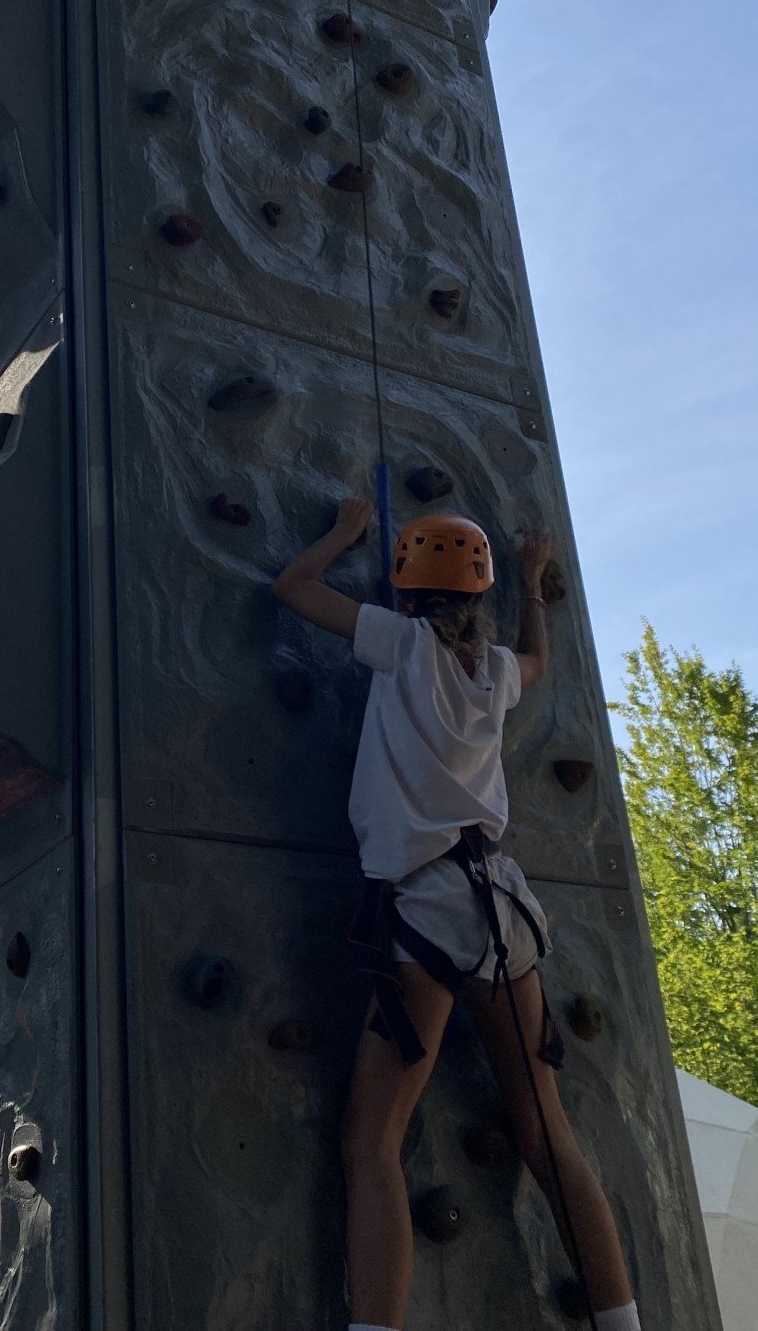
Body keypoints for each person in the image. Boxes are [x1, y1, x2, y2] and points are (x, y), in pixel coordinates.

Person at [272, 500, 641, 1331]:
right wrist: (533, 579)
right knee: (546, 1130)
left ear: (405, 588)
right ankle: (623, 1323)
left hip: (429, 908)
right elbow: (539, 658)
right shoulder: (496, 671)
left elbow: (292, 589)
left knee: (372, 1143)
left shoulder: (400, 644)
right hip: (503, 904)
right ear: (478, 593)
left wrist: (342, 533)